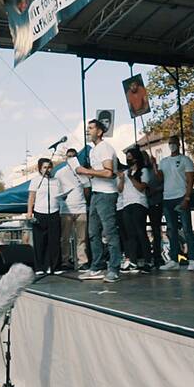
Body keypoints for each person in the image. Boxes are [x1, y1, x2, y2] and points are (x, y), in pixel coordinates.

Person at [76, 119, 122, 283]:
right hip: (96, 194)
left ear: (100, 132)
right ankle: (97, 267)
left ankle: (114, 269)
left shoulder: (105, 148)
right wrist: (86, 173)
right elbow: (96, 172)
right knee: (93, 233)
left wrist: (86, 170)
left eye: (91, 128)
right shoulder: (93, 150)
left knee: (109, 232)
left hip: (106, 194)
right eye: (87, 128)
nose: (88, 131)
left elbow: (109, 173)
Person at [157, 136, 194, 271]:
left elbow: (190, 180)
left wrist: (187, 198)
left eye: (174, 143)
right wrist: (154, 166)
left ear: (179, 144)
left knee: (186, 229)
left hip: (181, 196)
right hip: (167, 197)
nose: (171, 145)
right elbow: (160, 179)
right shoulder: (163, 161)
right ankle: (173, 259)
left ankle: (192, 258)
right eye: (170, 143)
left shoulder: (185, 160)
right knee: (171, 230)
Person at [27, 158, 65, 275]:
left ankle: (54, 266)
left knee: (54, 241)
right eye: (45, 167)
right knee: (40, 241)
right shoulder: (36, 181)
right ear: (40, 169)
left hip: (54, 212)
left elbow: (60, 196)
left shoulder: (56, 180)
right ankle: (39, 267)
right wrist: (29, 212)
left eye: (49, 167)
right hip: (40, 212)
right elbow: (31, 197)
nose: (47, 169)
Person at [118, 148, 151, 272]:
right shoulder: (125, 172)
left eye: (130, 157)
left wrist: (131, 178)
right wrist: (122, 179)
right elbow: (120, 190)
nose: (128, 159)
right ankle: (133, 261)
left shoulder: (143, 171)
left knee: (140, 232)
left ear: (136, 158)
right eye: (127, 157)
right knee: (130, 234)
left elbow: (141, 187)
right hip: (126, 204)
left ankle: (148, 260)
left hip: (139, 204)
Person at [57, 147, 91, 270]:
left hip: (81, 208)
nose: (71, 158)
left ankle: (82, 261)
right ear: (66, 158)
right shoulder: (60, 173)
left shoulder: (82, 171)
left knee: (82, 238)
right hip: (66, 209)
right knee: (65, 238)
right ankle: (65, 261)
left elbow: (87, 189)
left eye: (73, 156)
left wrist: (85, 201)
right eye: (69, 156)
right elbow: (56, 190)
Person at [143, 151, 165, 268]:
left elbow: (162, 182)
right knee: (142, 230)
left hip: (155, 201)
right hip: (143, 202)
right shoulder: (140, 171)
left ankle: (157, 256)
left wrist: (155, 190)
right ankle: (146, 256)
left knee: (156, 230)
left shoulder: (154, 170)